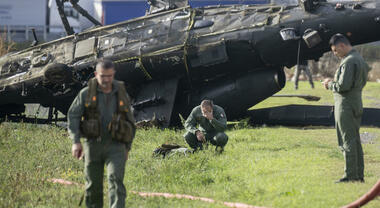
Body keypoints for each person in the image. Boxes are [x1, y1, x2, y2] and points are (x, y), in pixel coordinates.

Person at [68, 59, 136, 207]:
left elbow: (130, 121)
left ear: (114, 74)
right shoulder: (85, 93)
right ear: (95, 74)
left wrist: (127, 147)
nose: (106, 80)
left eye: (110, 76)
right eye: (103, 76)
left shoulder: (120, 93)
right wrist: (76, 141)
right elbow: (73, 115)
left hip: (116, 146)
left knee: (116, 181)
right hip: (93, 146)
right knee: (93, 185)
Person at [322, 34, 371, 183]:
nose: (335, 54)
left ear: (342, 46)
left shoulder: (349, 61)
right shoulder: (359, 58)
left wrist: (329, 84)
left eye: (335, 50)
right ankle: (358, 175)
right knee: (355, 141)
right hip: (356, 102)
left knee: (347, 141)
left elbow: (343, 86)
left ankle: (350, 176)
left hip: (346, 105)